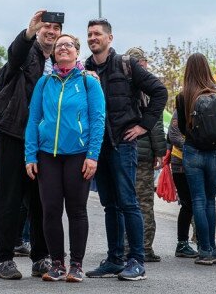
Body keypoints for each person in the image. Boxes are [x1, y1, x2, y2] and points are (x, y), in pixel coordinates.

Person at [83, 19, 168, 281]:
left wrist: (143, 126)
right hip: (100, 147)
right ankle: (114, 259)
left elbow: (159, 92)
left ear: (110, 38)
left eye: (97, 34)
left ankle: (137, 261)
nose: (92, 38)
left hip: (123, 144)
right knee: (110, 205)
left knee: (129, 203)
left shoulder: (126, 65)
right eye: (89, 34)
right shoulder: (84, 68)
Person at [0, 9, 61, 280]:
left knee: (41, 201)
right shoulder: (26, 53)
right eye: (46, 27)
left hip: (45, 142)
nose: (51, 31)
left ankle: (41, 257)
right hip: (14, 134)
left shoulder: (59, 61)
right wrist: (28, 32)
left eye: (56, 28)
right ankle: (5, 259)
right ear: (38, 30)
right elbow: (14, 55)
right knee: (9, 200)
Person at [25, 33, 106, 282]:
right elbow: (33, 119)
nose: (63, 48)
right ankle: (57, 264)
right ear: (54, 53)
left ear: (76, 51)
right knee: (50, 210)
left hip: (78, 155)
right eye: (59, 46)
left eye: (68, 45)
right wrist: (30, 154)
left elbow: (98, 120)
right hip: (47, 155)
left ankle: (77, 265)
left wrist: (92, 156)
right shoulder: (44, 82)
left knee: (76, 210)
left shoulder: (88, 82)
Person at [176, 53, 216, 266]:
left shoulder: (184, 95)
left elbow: (181, 127)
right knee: (210, 200)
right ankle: (214, 250)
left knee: (197, 200)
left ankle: (204, 250)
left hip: (193, 152)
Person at [126, 46, 167, 263]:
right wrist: (160, 152)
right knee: (143, 203)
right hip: (142, 156)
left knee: (125, 201)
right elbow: (156, 126)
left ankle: (124, 246)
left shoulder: (121, 84)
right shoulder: (148, 88)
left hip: (124, 151)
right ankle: (144, 247)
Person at [167, 110, 198, 259]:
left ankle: (203, 242)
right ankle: (182, 243)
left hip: (200, 162)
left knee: (199, 203)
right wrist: (193, 146)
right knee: (188, 204)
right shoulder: (181, 108)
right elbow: (173, 135)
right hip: (181, 164)